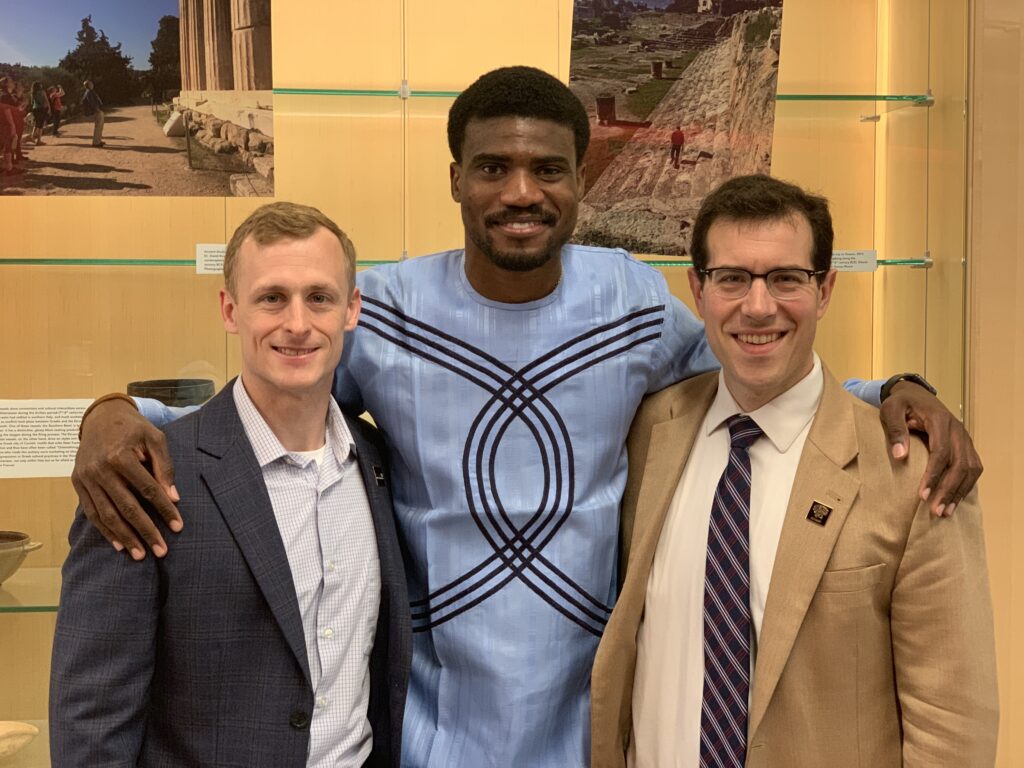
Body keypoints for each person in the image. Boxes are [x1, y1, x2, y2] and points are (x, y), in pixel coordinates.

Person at [72, 68, 981, 768]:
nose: (520, 191)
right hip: (427, 733)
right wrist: (111, 413)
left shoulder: (632, 299)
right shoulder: (378, 307)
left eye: (547, 168)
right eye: (493, 168)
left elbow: (762, 375)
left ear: (580, 179)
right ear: (456, 179)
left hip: (592, 732)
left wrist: (896, 390)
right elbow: (265, 401)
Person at [590, 175, 998, 768]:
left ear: (826, 290)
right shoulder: (648, 434)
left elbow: (951, 725)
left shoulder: (911, 472)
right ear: (697, 291)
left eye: (787, 278)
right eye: (731, 278)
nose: (759, 306)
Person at [50, 202, 411, 767]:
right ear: (229, 309)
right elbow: (93, 716)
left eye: (319, 297)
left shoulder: (381, 462)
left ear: (351, 310)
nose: (297, 323)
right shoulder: (147, 478)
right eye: (272, 298)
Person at [82, 79, 104, 147]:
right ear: (88, 85)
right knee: (98, 126)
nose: (92, 84)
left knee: (100, 126)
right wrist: (97, 110)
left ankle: (98, 141)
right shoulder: (89, 92)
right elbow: (92, 102)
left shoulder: (90, 92)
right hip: (96, 111)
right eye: (91, 83)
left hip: (97, 111)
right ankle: (96, 143)